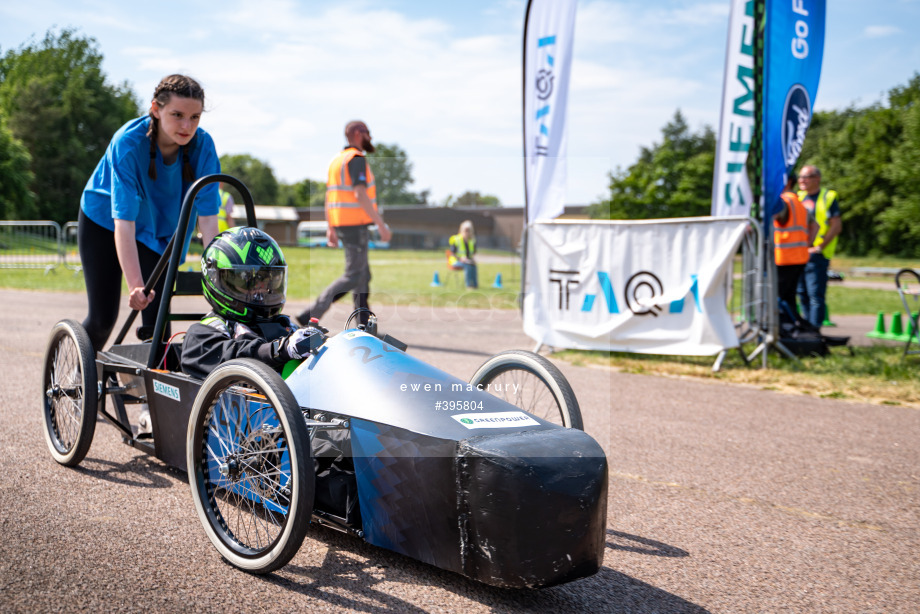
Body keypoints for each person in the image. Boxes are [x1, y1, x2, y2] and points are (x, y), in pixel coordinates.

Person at [79, 74, 221, 352]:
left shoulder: (203, 146)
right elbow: (124, 221)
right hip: (106, 222)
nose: (186, 125)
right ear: (156, 109)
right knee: (103, 319)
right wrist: (135, 286)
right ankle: (77, 378)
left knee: (157, 325)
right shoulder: (128, 142)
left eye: (195, 117)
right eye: (177, 115)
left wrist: (219, 281)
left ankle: (151, 390)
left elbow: (208, 220)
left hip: (155, 228)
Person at [181, 227, 325, 381]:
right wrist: (280, 350)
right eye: (247, 281)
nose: (261, 290)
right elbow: (231, 358)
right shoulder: (202, 334)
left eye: (268, 280)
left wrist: (321, 343)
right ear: (216, 280)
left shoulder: (285, 326)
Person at [296, 120, 391, 326]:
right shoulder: (356, 159)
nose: (370, 137)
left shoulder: (337, 161)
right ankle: (311, 313)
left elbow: (330, 197)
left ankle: (364, 324)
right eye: (368, 133)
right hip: (356, 225)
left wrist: (331, 226)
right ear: (357, 133)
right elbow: (359, 193)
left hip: (344, 224)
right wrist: (381, 225)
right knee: (354, 275)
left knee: (363, 276)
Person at [796, 165, 842, 328]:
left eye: (806, 177)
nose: (802, 180)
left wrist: (819, 247)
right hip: (799, 253)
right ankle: (807, 329)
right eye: (800, 177)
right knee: (802, 293)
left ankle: (815, 331)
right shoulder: (798, 197)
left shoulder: (827, 197)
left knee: (815, 294)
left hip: (817, 255)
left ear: (817, 179)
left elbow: (836, 226)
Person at [773, 172, 818, 317]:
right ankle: (794, 325)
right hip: (799, 257)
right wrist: (806, 243)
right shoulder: (798, 202)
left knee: (780, 296)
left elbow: (772, 219)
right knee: (790, 296)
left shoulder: (783, 202)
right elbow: (815, 226)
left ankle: (787, 327)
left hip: (785, 258)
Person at [448, 220, 479, 289]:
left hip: (467, 261)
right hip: (455, 261)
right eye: (466, 230)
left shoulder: (471, 241)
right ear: (462, 230)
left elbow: (473, 253)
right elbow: (452, 253)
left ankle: (475, 285)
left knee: (473, 265)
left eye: (469, 230)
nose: (467, 232)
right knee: (468, 266)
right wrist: (460, 258)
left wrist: (472, 259)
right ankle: (469, 286)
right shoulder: (456, 239)